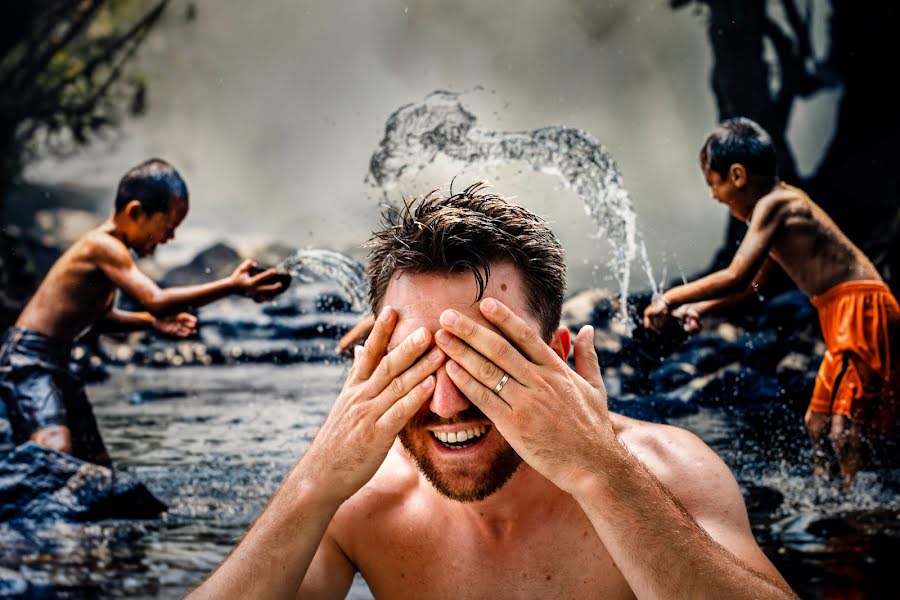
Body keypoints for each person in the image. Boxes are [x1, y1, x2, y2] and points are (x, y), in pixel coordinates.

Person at [191, 183, 796, 599]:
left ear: (558, 356)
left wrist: (600, 472)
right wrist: (313, 481)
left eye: (485, 360)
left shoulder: (671, 474)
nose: (447, 403)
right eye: (419, 359)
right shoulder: (356, 500)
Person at [643, 117, 899, 486]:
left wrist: (668, 298)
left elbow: (736, 275)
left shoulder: (776, 204)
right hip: (842, 312)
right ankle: (827, 495)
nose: (714, 195)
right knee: (817, 423)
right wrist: (698, 308)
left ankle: (853, 513)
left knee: (846, 427)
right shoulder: (775, 210)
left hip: (861, 310)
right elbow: (752, 287)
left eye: (712, 183)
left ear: (737, 175)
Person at [0, 158, 288, 466]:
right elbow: (156, 298)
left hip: (53, 360)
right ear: (136, 212)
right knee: (55, 449)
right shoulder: (103, 246)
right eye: (168, 227)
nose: (169, 238)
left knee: (96, 466)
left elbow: (101, 318)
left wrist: (150, 324)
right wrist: (231, 286)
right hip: (28, 360)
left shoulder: (110, 252)